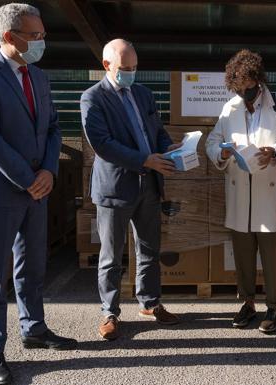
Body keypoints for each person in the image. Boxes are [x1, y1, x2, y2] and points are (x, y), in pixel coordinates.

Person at [0, 3, 77, 384]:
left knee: (32, 267)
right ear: (10, 37)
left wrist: (48, 170)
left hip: (37, 189)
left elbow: (55, 127)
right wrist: (28, 177)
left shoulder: (38, 77)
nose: (42, 41)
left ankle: (34, 328)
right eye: (36, 35)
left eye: (43, 34)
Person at [81, 39, 182, 341]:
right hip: (115, 187)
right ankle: (109, 312)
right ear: (106, 65)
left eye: (135, 68)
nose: (131, 74)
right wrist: (144, 159)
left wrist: (170, 147)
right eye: (125, 69)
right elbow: (102, 143)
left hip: (149, 185)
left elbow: (157, 131)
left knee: (149, 249)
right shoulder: (92, 98)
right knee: (112, 255)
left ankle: (150, 303)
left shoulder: (143, 94)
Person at [206, 49, 276, 334]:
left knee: (273, 255)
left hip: (270, 193)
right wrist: (220, 154)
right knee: (243, 254)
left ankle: (273, 306)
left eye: (249, 88)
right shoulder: (229, 108)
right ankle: (247, 302)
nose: (245, 94)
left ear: (258, 81)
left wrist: (274, 152)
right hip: (240, 194)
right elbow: (213, 140)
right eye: (239, 89)